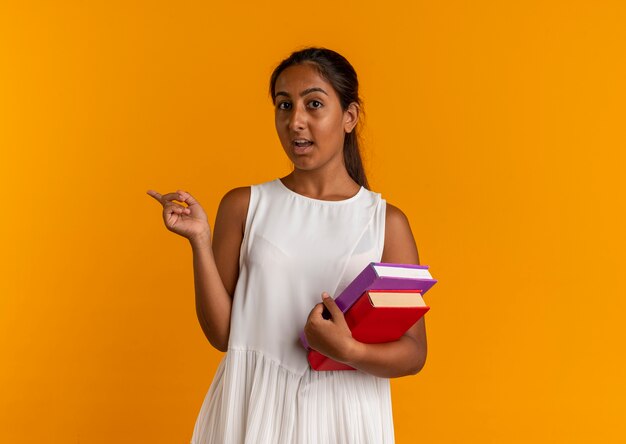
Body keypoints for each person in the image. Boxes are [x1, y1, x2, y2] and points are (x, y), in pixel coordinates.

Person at [147, 46, 427, 443]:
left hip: (343, 417)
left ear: (349, 117)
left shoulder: (386, 224)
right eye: (284, 105)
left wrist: (349, 351)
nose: (295, 121)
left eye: (314, 104)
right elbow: (223, 335)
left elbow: (414, 352)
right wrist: (200, 241)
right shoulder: (245, 205)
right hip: (252, 408)